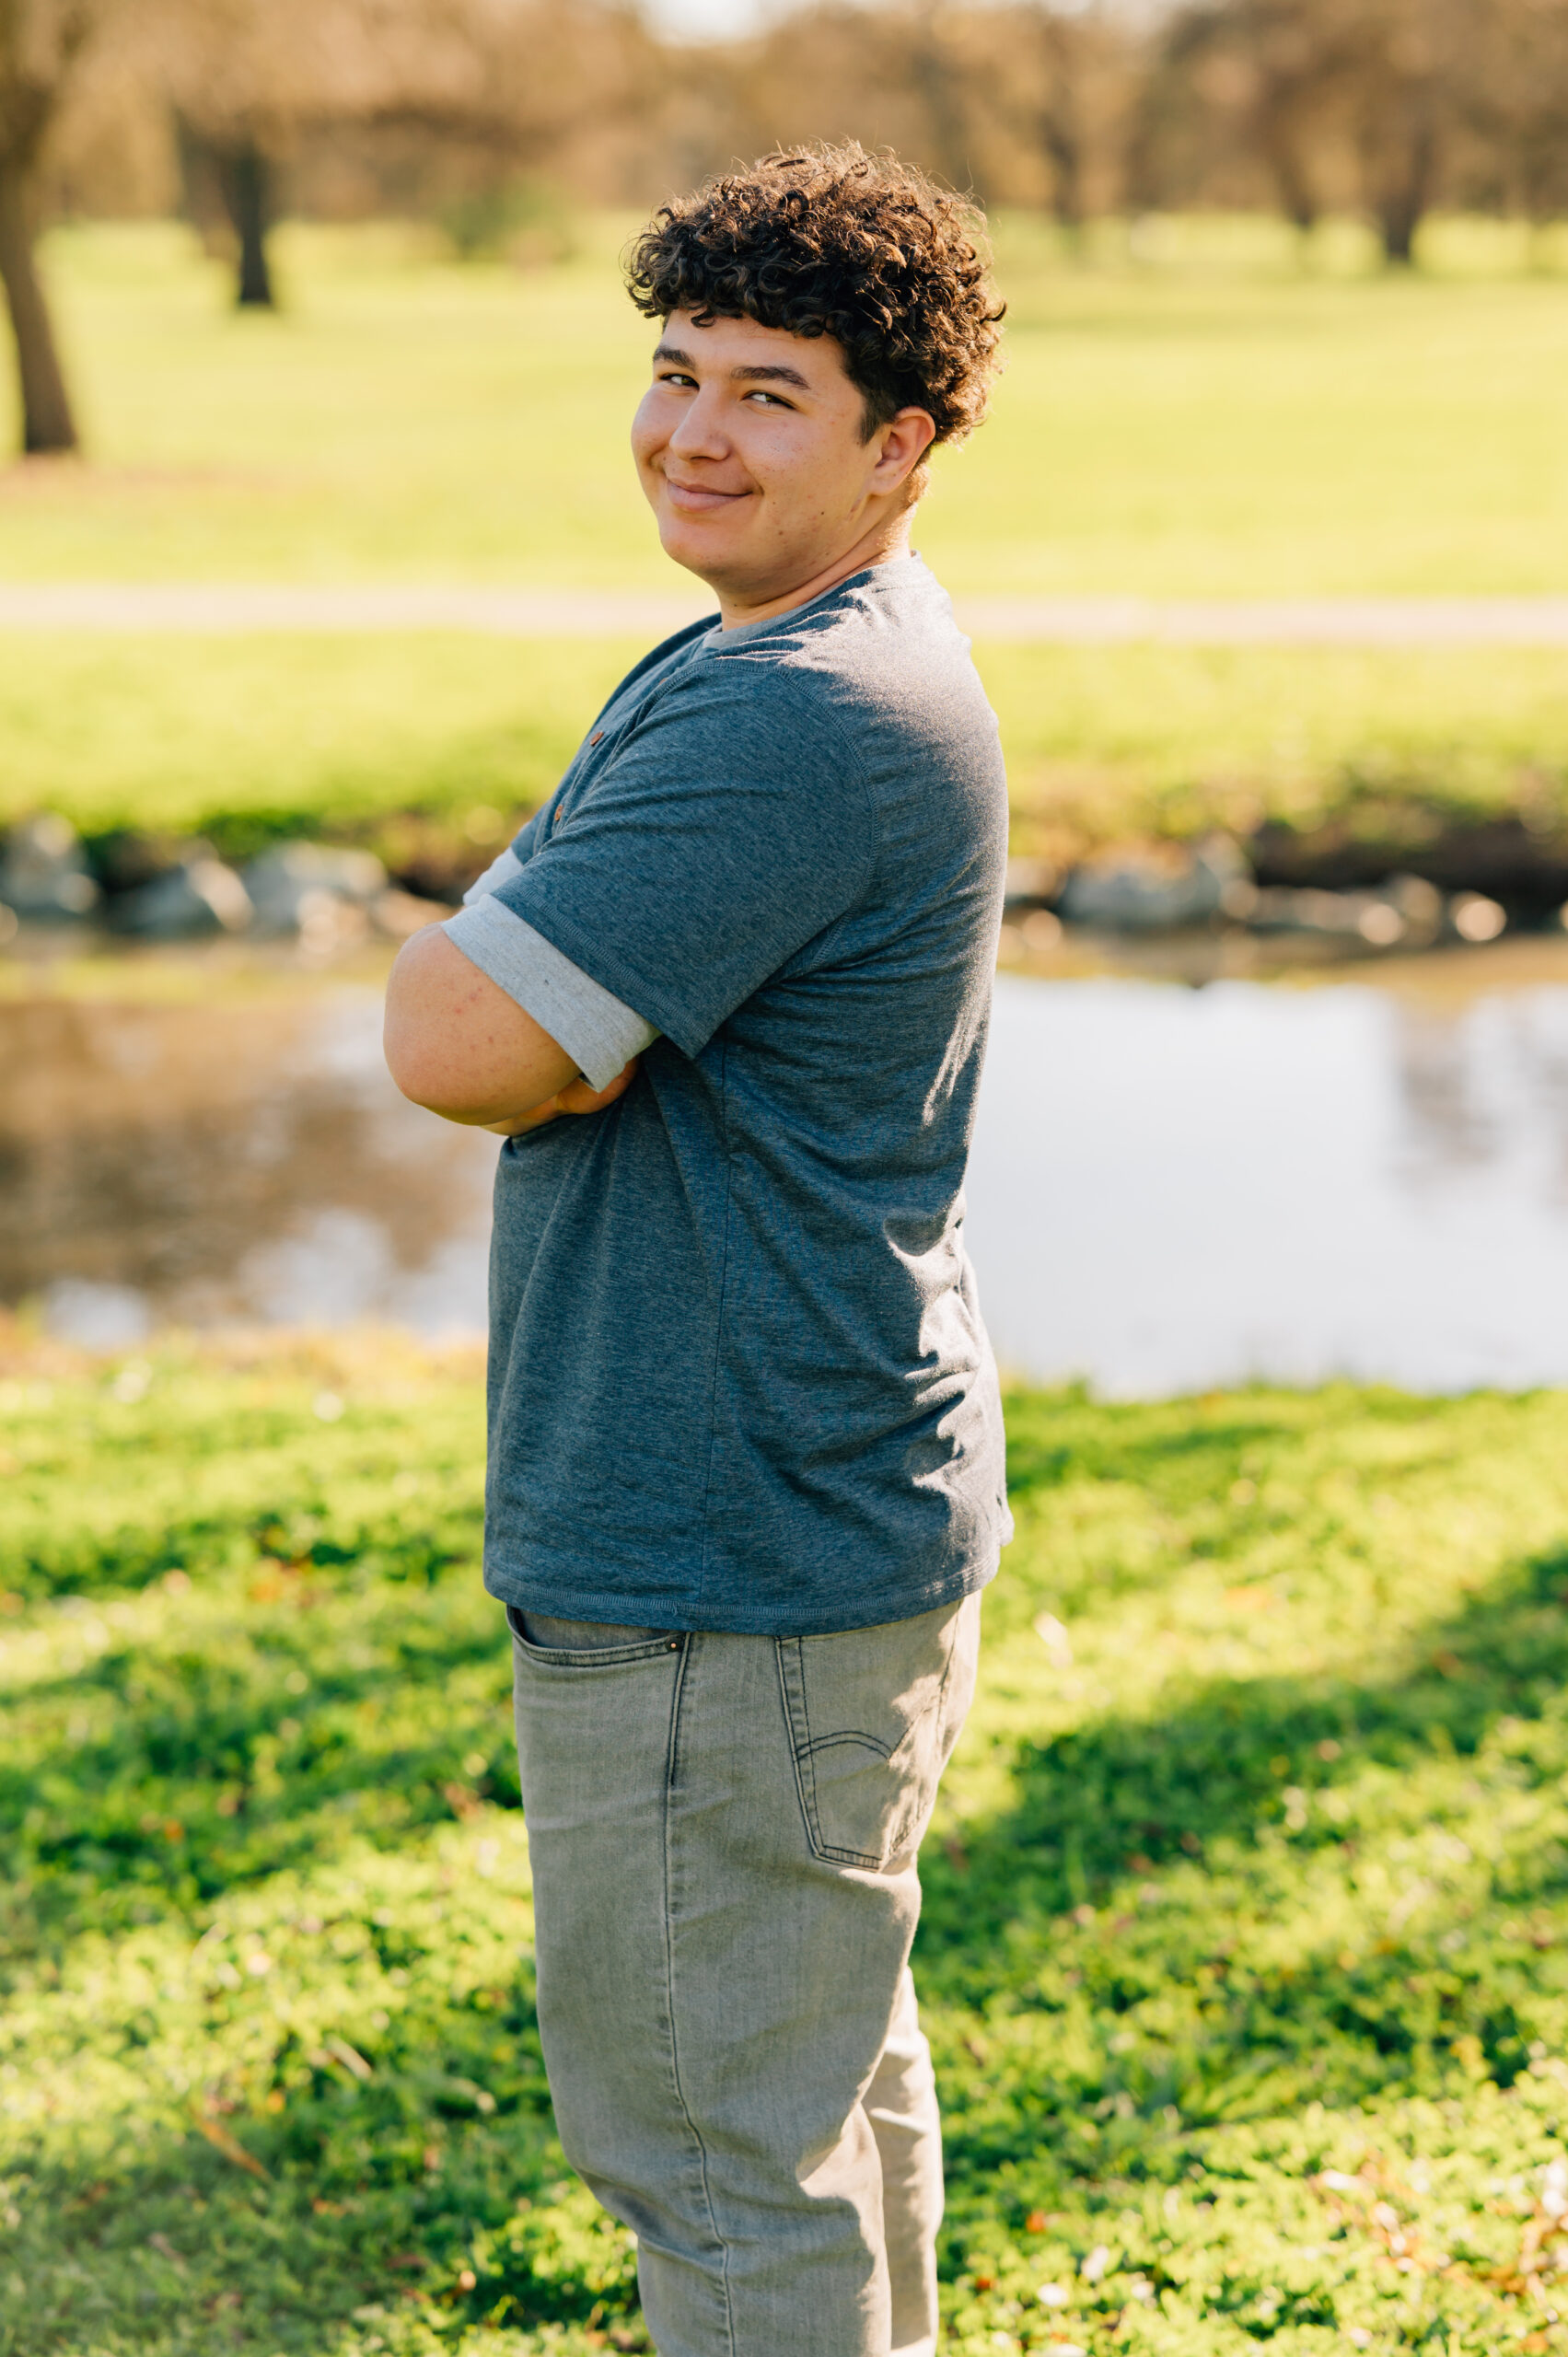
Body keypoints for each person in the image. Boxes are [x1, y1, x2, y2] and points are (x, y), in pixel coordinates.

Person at [384, 141, 1012, 2357]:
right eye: (675, 370)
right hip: (811, 1503)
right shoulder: (785, 647)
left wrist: (514, 942)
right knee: (820, 2085)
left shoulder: (795, 710)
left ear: (898, 443)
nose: (690, 433)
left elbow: (457, 1038)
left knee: (723, 2157)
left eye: (768, 392)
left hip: (720, 1548)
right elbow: (523, 1021)